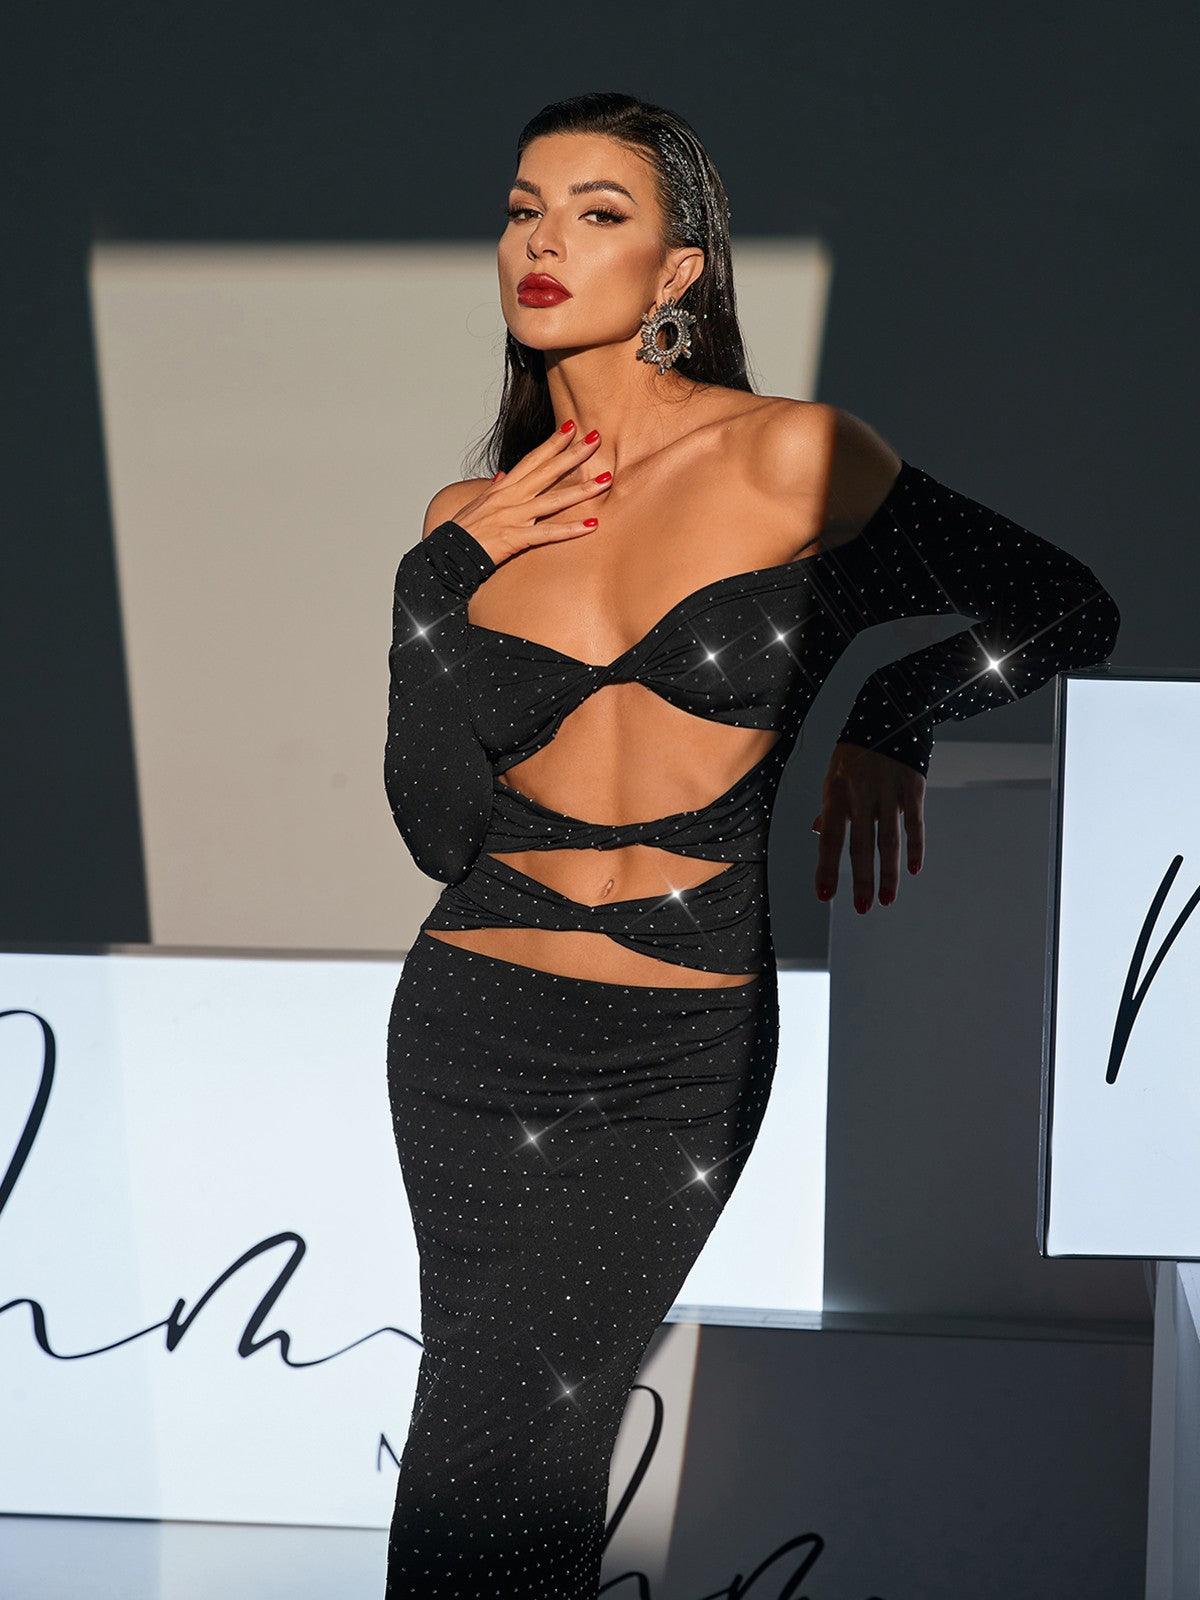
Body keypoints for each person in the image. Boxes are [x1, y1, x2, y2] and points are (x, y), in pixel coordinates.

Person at [381, 92, 1121, 1596]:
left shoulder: (793, 459)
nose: (543, 241)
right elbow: (435, 829)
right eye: (524, 209)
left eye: (597, 213)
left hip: (675, 1046)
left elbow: (1064, 607)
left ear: (678, 272)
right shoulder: (472, 517)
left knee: (511, 1440)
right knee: (492, 1432)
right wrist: (430, 586)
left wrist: (896, 708)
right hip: (470, 1028)